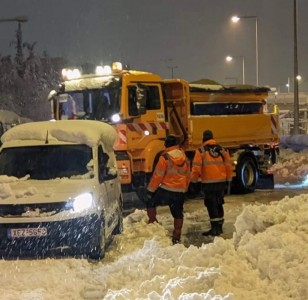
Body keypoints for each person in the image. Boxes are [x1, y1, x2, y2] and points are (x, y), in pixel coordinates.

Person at [146, 135, 190, 244]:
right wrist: (185, 188)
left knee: (150, 202)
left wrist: (150, 191)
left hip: (166, 190)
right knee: (178, 213)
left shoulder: (165, 157)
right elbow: (188, 174)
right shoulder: (184, 156)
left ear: (166, 145)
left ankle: (152, 223)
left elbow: (158, 176)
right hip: (179, 191)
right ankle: (176, 237)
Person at [191, 130, 232, 236]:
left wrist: (193, 182)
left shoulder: (201, 151)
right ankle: (219, 227)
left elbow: (196, 169)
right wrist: (228, 180)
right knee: (219, 203)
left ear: (203, 139)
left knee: (211, 204)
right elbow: (228, 166)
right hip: (221, 182)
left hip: (208, 183)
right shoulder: (222, 150)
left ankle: (214, 229)